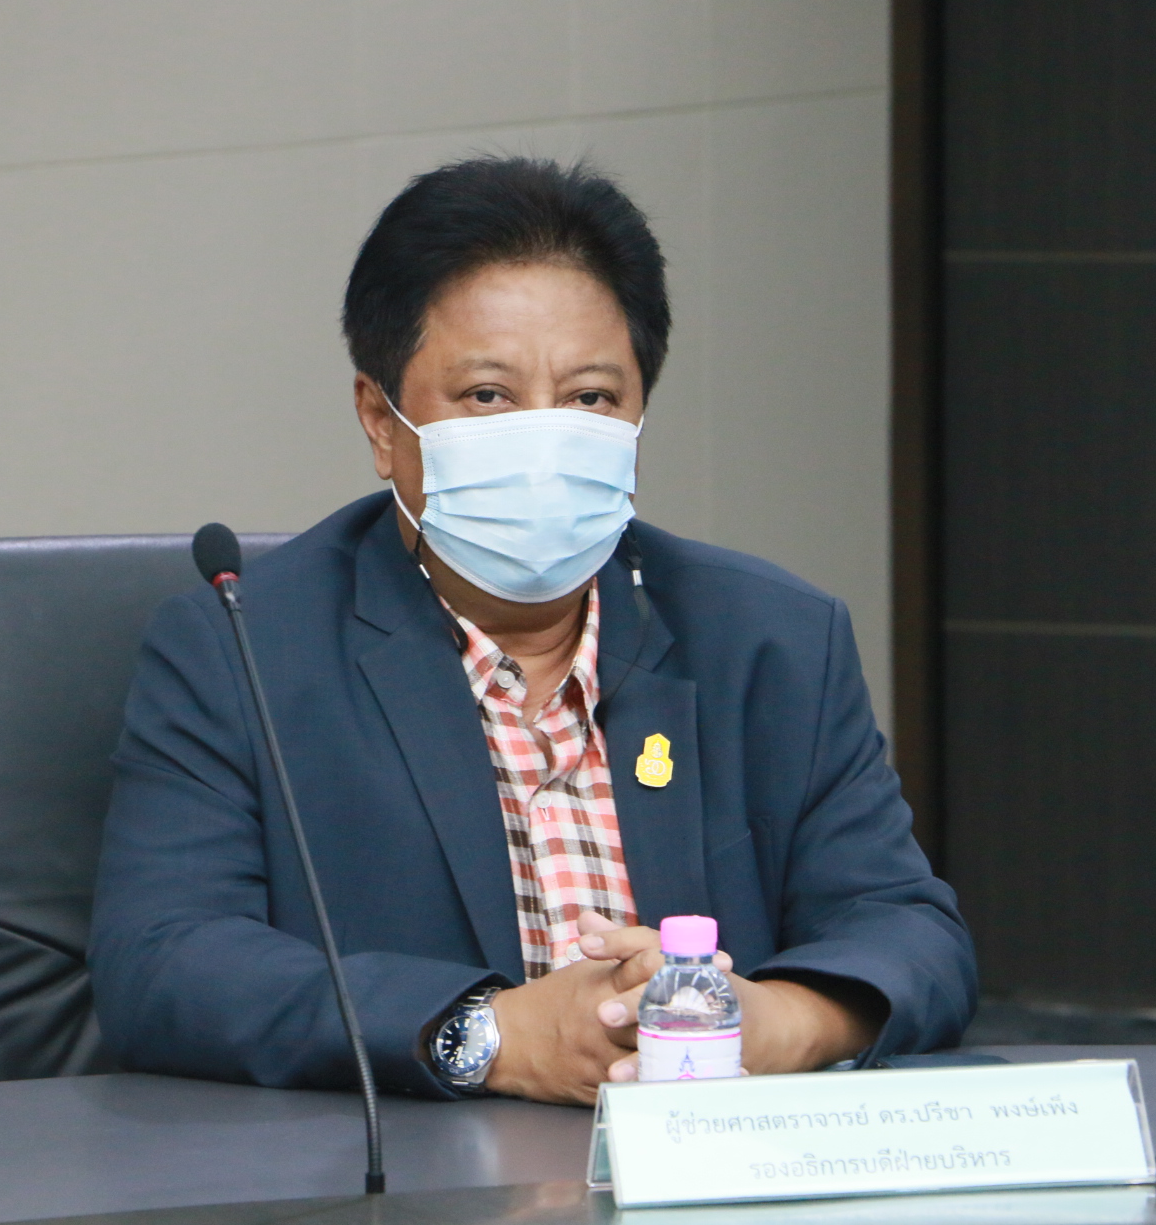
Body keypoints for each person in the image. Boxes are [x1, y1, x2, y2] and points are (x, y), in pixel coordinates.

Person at [89, 156, 977, 1105]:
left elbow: (909, 933)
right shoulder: (243, 648)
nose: (546, 440)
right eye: (488, 396)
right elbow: (164, 962)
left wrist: (775, 1024)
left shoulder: (771, 640)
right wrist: (495, 1036)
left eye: (592, 398)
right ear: (381, 422)